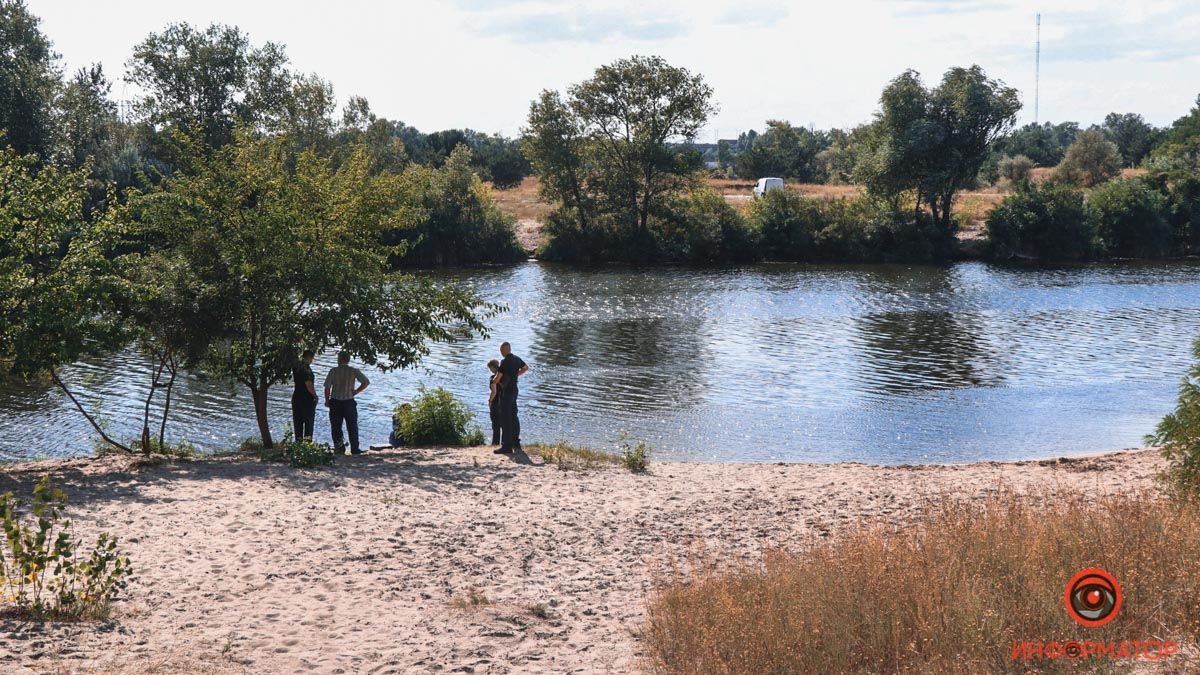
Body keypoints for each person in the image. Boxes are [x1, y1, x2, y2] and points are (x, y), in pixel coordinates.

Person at [324, 351, 370, 455]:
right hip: (349, 402)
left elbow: (327, 388)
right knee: (352, 426)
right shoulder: (353, 371)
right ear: (348, 360)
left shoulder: (333, 371)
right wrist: (356, 391)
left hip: (335, 402)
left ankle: (339, 449)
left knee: (336, 427)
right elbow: (366, 382)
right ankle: (355, 448)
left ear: (340, 359)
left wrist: (327, 401)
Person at [493, 342, 528, 454]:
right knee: (514, 416)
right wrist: (516, 375)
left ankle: (506, 446)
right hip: (514, 391)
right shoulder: (517, 359)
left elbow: (499, 377)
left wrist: (494, 381)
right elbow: (525, 368)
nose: (501, 352)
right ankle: (516, 442)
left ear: (506, 349)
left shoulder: (505, 361)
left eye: (501, 350)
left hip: (506, 392)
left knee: (505, 418)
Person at [291, 350, 319, 440]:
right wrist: (315, 396)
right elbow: (308, 384)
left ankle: (298, 443)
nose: (312, 360)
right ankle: (307, 445)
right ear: (309, 357)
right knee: (308, 423)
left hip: (296, 397)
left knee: (298, 423)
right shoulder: (306, 369)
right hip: (306, 400)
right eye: (312, 358)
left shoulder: (296, 367)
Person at [487, 359, 501, 445]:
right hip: (503, 402)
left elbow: (494, 391)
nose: (490, 370)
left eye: (490, 368)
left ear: (493, 367)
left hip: (495, 403)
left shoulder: (493, 378)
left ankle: (495, 443)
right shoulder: (503, 376)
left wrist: (490, 401)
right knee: (503, 423)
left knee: (495, 424)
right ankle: (505, 442)